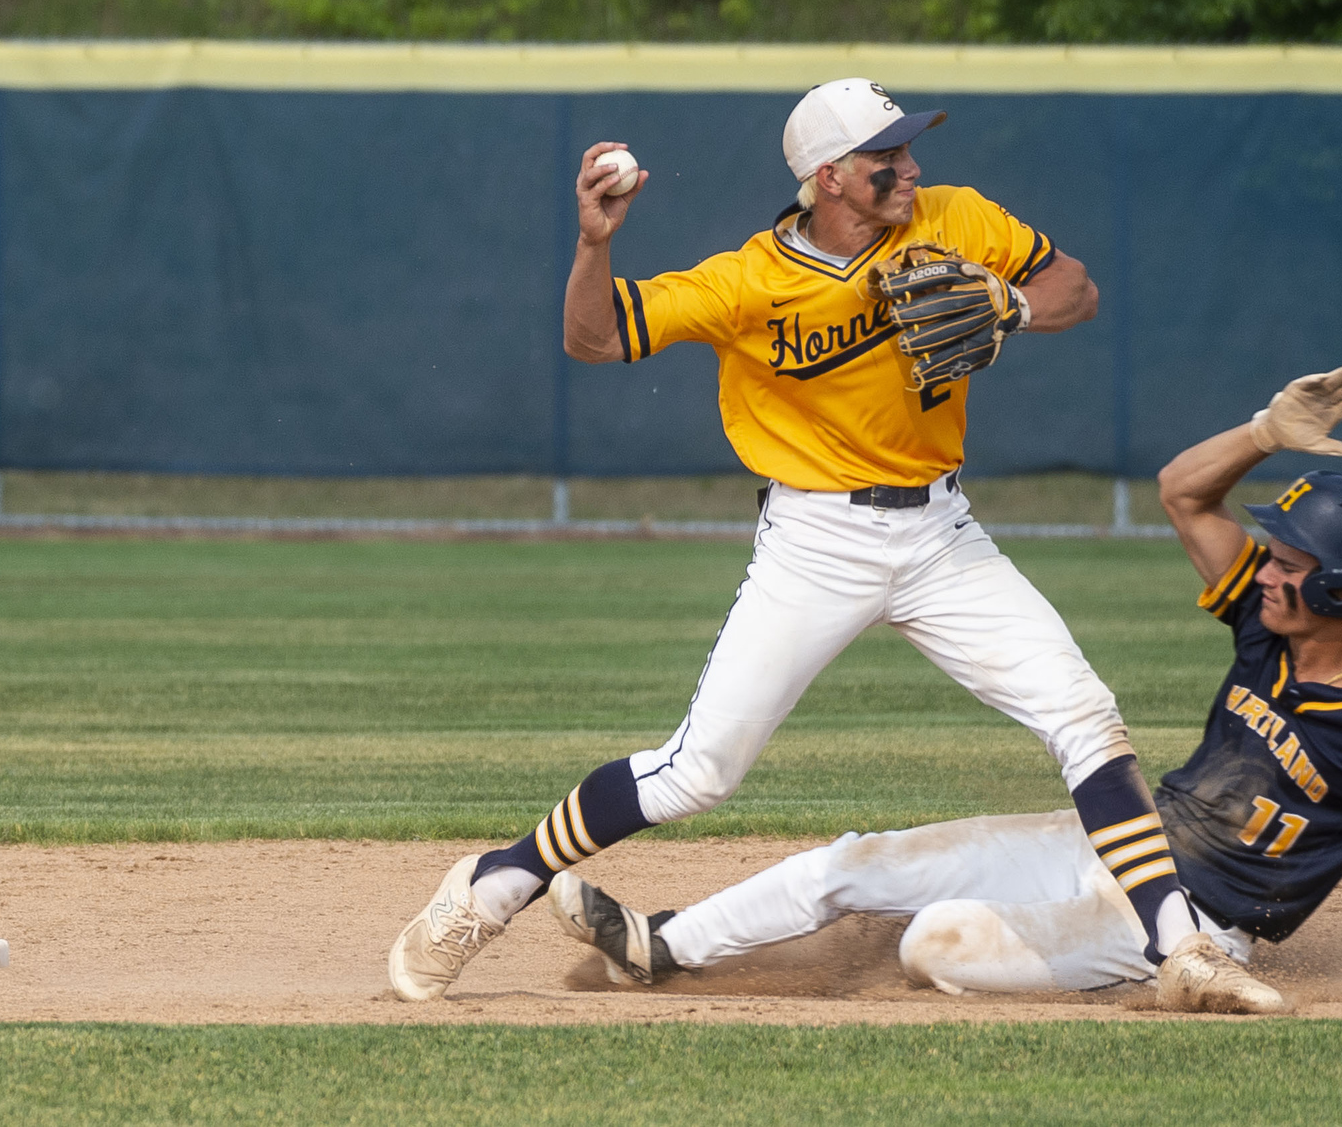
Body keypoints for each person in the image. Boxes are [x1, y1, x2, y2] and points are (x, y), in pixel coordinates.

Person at [389, 78, 1283, 1013]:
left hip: (940, 533)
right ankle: (490, 888)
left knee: (1085, 714)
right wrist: (595, 240)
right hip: (816, 540)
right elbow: (593, 338)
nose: (911, 168)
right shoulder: (749, 283)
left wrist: (1011, 308)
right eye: (886, 159)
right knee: (699, 773)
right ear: (830, 178)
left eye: (908, 150)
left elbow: (1076, 288)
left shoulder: (956, 218)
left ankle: (1180, 949)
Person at [546, 367, 1342, 1009]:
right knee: (858, 863)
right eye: (1267, 555)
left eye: (1287, 564)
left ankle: (1153, 978)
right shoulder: (1266, 632)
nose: (1263, 569)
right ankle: (660, 945)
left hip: (1200, 922)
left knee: (934, 942)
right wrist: (1264, 434)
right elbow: (1181, 491)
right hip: (1124, 843)